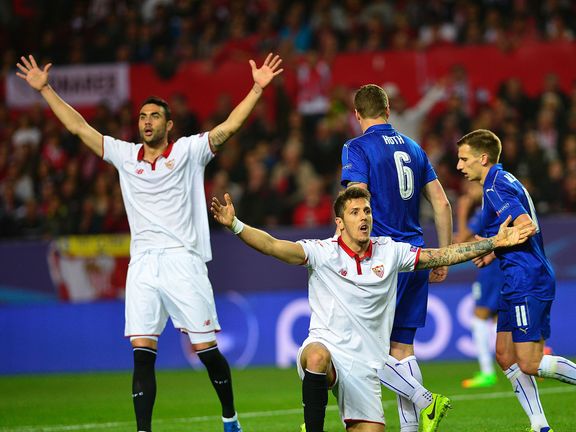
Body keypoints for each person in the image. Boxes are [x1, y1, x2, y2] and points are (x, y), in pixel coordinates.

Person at [15, 53, 284, 432]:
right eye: (142, 116)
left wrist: (257, 87)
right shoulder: (126, 157)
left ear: (168, 125)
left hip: (183, 260)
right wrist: (45, 90)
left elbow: (228, 128)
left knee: (206, 351)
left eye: (154, 116)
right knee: (142, 352)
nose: (146, 121)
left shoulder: (189, 152)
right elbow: (79, 128)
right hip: (142, 264)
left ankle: (230, 417)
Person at [209, 187, 534, 432]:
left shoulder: (390, 252)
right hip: (328, 350)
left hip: (367, 369)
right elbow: (271, 245)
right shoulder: (322, 253)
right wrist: (235, 224)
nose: (363, 217)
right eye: (354, 212)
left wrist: (494, 242)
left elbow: (442, 256)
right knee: (317, 357)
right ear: (340, 222)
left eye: (366, 210)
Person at [456, 129, 576, 432]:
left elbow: (526, 227)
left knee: (529, 362)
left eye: (464, 159)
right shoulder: (502, 180)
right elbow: (516, 232)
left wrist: (491, 246)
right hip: (514, 277)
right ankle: (540, 426)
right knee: (504, 355)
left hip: (527, 278)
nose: (459, 166)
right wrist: (494, 252)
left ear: (483, 159)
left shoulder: (495, 187)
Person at [341, 84, 454, 432]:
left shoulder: (356, 147)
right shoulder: (414, 147)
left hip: (380, 258)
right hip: (417, 254)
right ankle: (411, 429)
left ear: (357, 115)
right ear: (388, 112)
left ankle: (425, 401)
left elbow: (355, 197)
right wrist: (443, 255)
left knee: (359, 351)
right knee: (402, 349)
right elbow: (442, 203)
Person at [453, 182, 502, 388]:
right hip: (501, 266)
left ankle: (487, 372)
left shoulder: (483, 211)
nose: (468, 192)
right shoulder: (494, 205)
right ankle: (537, 353)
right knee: (498, 317)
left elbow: (460, 240)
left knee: (480, 317)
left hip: (491, 270)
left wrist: (462, 212)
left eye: (471, 187)